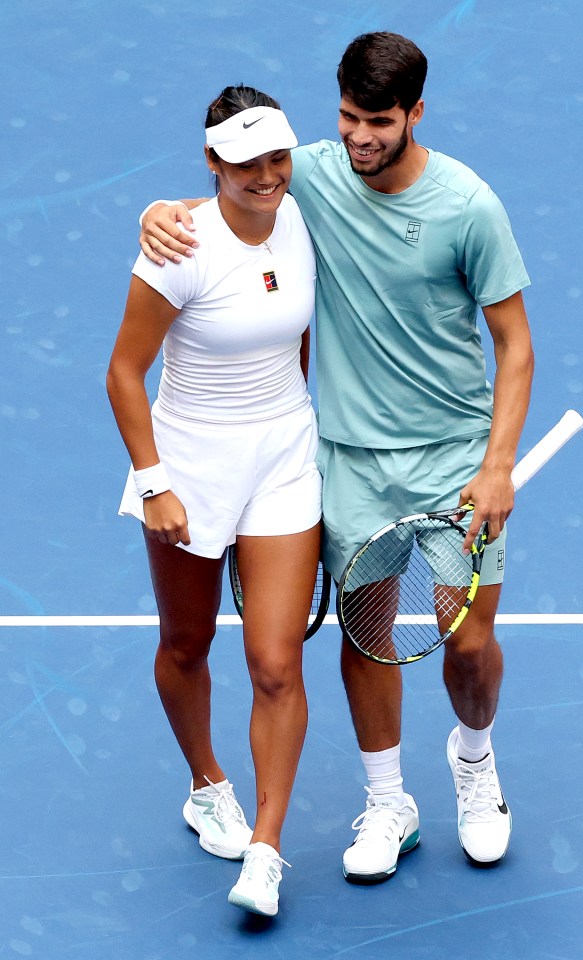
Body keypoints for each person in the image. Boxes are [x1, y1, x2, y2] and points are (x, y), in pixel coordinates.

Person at [138, 32, 535, 883]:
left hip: (456, 455)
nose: (359, 138)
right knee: (369, 637)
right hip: (350, 458)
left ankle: (475, 765)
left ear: (416, 113)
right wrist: (159, 211)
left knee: (468, 647)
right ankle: (389, 799)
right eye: (349, 117)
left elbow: (515, 344)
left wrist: (498, 462)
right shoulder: (310, 172)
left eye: (379, 122)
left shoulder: (469, 206)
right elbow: (238, 189)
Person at [106, 85, 323, 917]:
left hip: (282, 457)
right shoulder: (178, 245)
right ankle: (206, 783)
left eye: (278, 158)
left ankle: (266, 849)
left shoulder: (303, 213)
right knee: (188, 643)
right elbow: (125, 373)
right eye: (246, 164)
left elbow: (296, 334)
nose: (268, 176)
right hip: (189, 464)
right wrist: (154, 483)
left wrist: (288, 422)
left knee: (275, 663)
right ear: (212, 162)